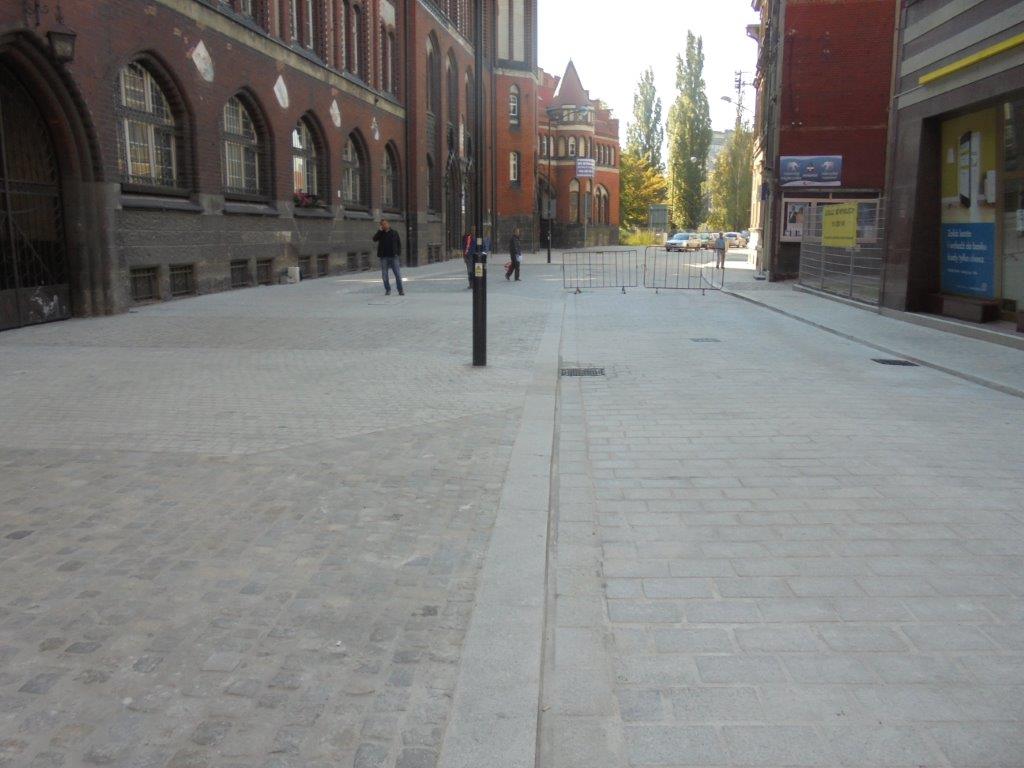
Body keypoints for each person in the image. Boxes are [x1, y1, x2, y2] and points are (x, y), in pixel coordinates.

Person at [372, 218, 403, 295]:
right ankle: (388, 289)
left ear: (388, 224)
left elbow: (399, 243)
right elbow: (374, 239)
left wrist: (398, 253)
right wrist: (379, 231)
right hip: (384, 257)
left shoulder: (394, 232)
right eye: (382, 224)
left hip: (394, 257)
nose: (384, 225)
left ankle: (400, 290)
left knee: (397, 274)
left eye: (385, 223)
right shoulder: (381, 233)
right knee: (384, 275)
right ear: (381, 226)